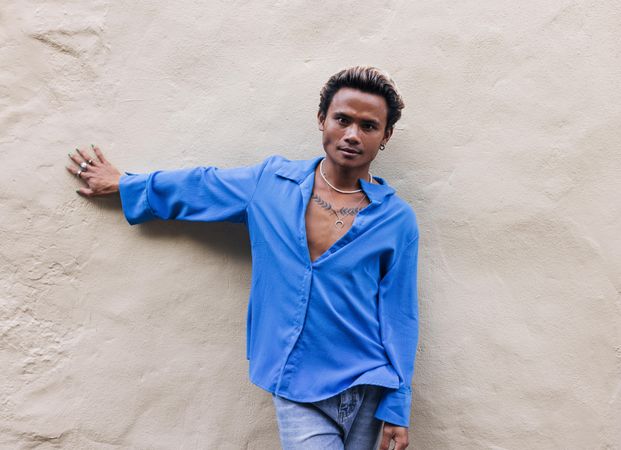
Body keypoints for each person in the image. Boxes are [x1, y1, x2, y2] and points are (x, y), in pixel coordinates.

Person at [66, 66, 419, 450]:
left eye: (368, 126)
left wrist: (397, 406)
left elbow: (399, 316)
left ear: (385, 136)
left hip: (369, 385)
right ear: (322, 120)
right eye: (342, 119)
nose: (352, 134)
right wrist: (124, 184)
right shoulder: (271, 184)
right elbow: (202, 186)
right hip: (295, 381)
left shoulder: (396, 220)